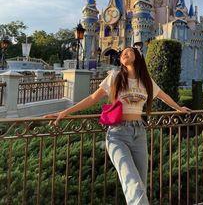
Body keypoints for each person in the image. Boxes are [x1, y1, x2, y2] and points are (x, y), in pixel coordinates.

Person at [44, 47, 191, 205]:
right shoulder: (115, 76)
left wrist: (178, 108)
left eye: (128, 51)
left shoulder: (146, 81)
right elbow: (93, 98)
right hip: (117, 134)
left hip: (139, 133)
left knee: (140, 182)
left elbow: (163, 96)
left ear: (138, 56)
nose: (123, 54)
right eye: (122, 53)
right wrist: (65, 112)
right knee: (133, 184)